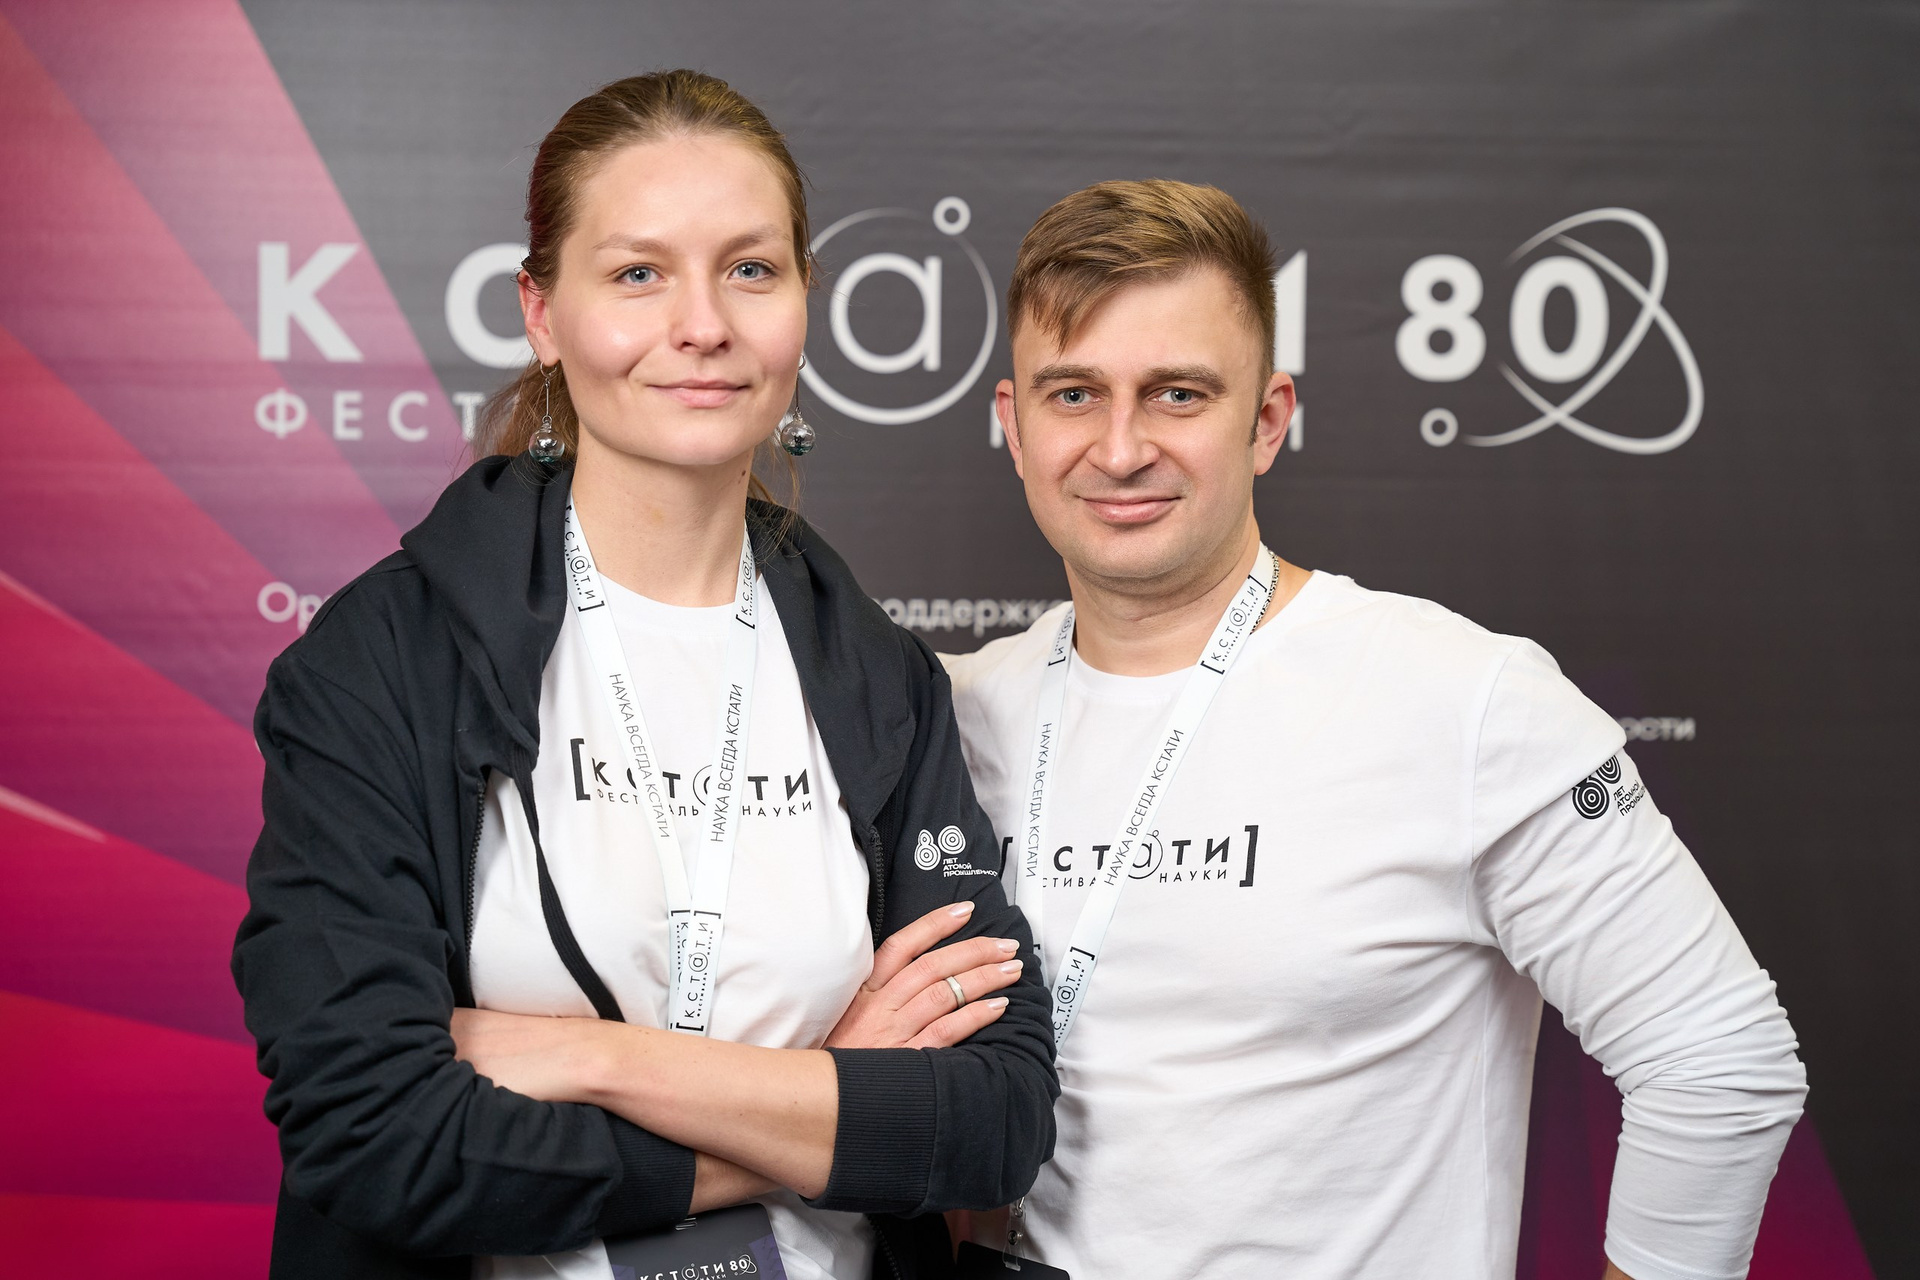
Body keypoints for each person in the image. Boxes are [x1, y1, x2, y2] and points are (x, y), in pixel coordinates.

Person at [232, 71, 1055, 1280]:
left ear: (804, 302)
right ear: (542, 312)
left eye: (750, 269)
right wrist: (823, 1099)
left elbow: (995, 1117)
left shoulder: (877, 673)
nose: (703, 323)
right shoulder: (384, 659)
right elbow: (376, 1134)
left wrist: (597, 1058)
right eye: (637, 274)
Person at [941, 179, 1807, 1280]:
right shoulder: (949, 710)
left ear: (1267, 421)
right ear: (1013, 424)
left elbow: (1720, 1058)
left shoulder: (1467, 700)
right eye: (1074, 393)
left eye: (1176, 394)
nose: (1119, 449)